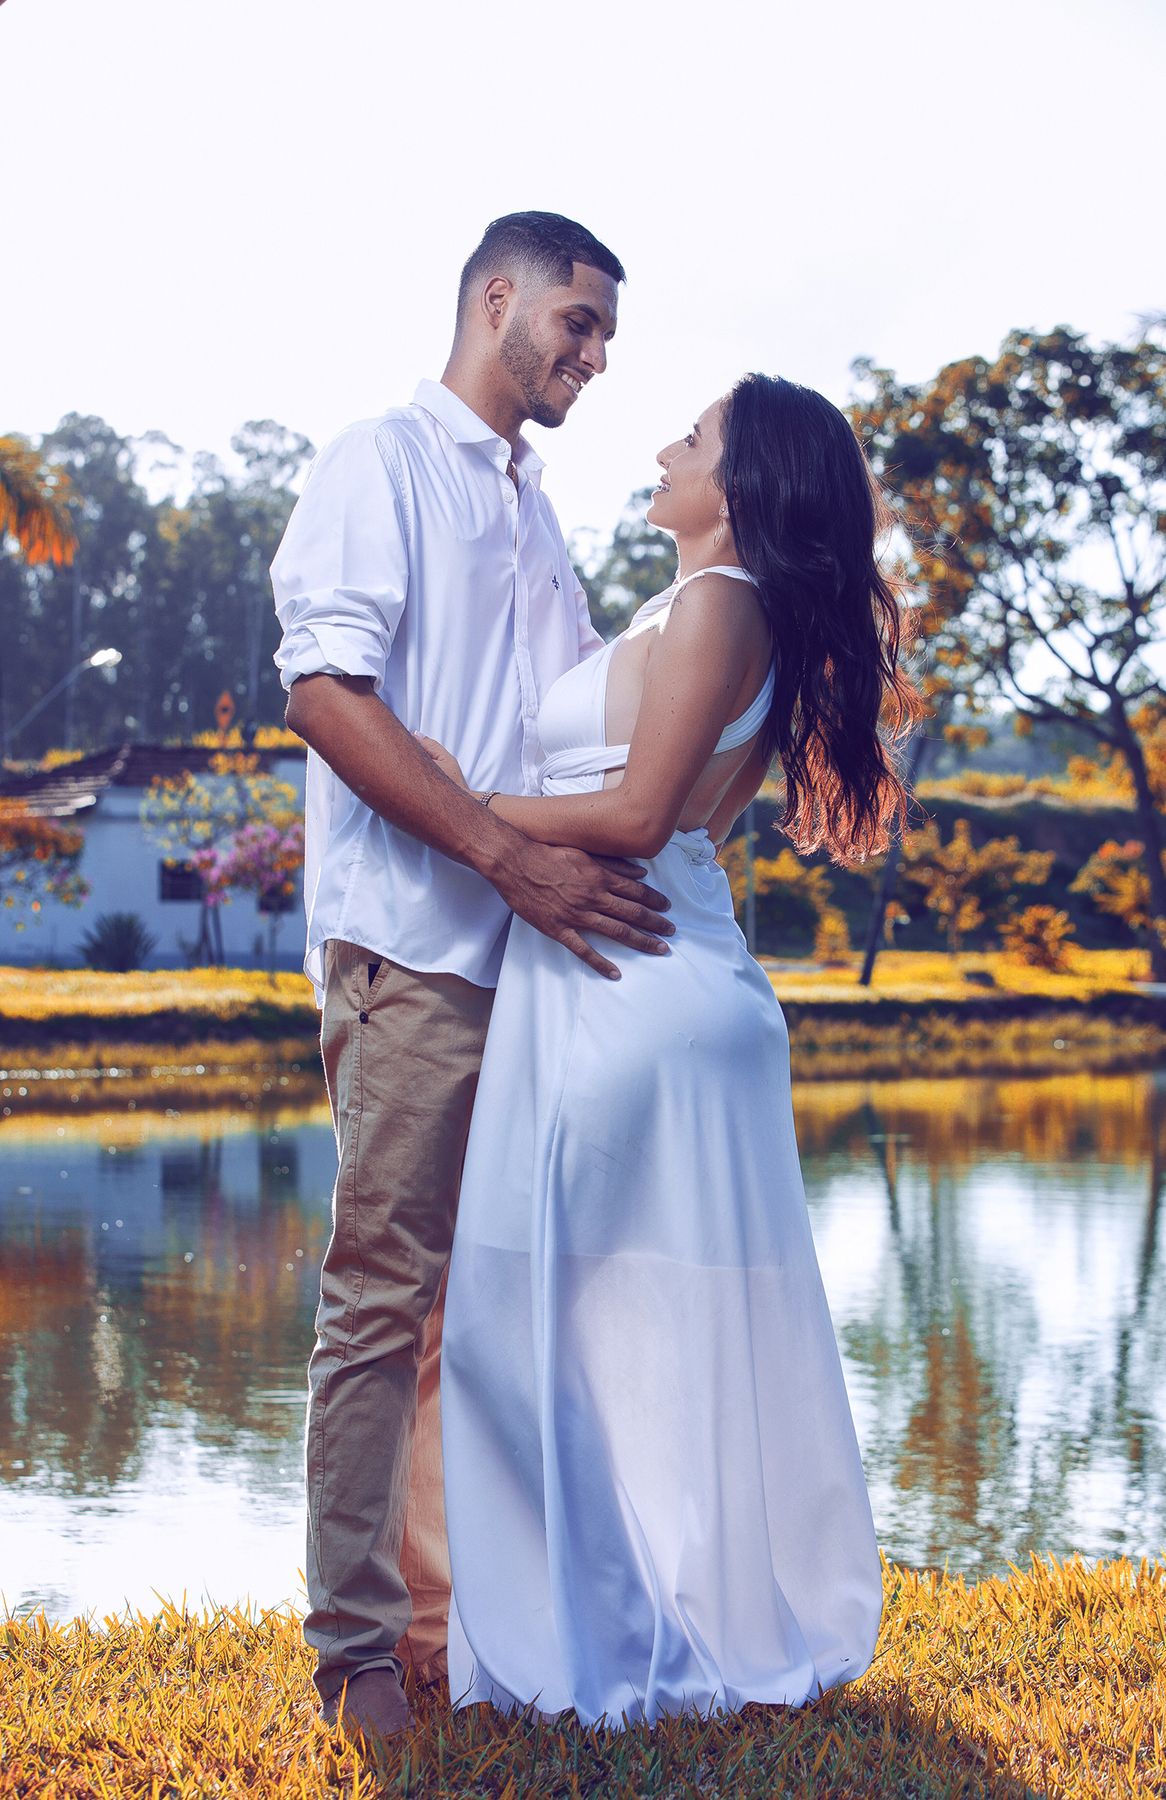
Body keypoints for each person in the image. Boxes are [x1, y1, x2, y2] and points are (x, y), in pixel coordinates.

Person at [423, 373, 921, 1726]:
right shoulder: (700, 608)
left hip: (631, 985)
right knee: (597, 1324)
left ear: (741, 487)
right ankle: (630, 1615)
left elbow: (642, 817)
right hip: (630, 973)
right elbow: (675, 820)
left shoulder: (722, 604)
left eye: (692, 439)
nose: (662, 448)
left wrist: (451, 799)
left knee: (547, 1321)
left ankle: (613, 1639)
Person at [270, 212, 675, 1740]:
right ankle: (357, 1652)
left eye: (605, 338)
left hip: (538, 965)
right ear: (497, 296)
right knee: (385, 1296)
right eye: (579, 322)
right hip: (415, 946)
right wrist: (507, 859)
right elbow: (326, 694)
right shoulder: (378, 464)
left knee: (491, 1308)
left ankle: (463, 1629)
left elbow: (587, 724)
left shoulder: (537, 512)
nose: (594, 358)